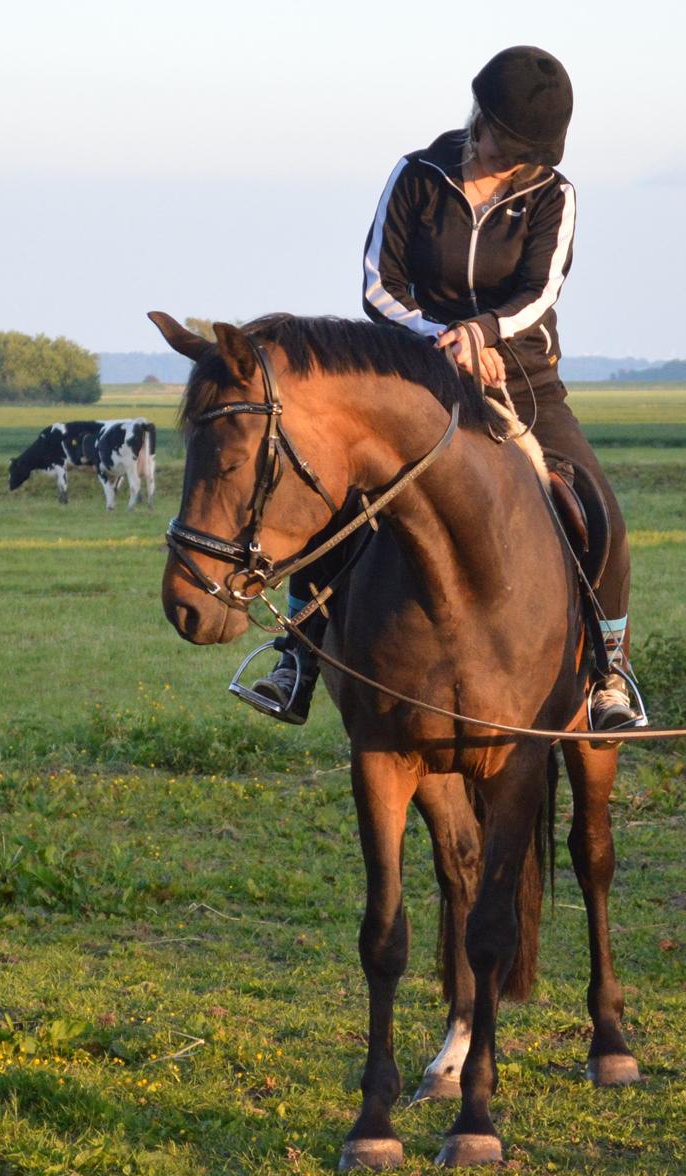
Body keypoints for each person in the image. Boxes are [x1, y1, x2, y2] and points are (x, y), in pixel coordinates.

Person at [249, 46, 643, 731]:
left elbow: (539, 291)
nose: (513, 161)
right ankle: (299, 655)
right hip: (411, 378)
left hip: (521, 379)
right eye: (504, 143)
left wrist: (483, 334)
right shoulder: (416, 175)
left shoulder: (554, 195)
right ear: (479, 119)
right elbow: (378, 285)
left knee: (598, 509)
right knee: (335, 494)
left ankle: (608, 675)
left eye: (529, 154)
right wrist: (445, 338)